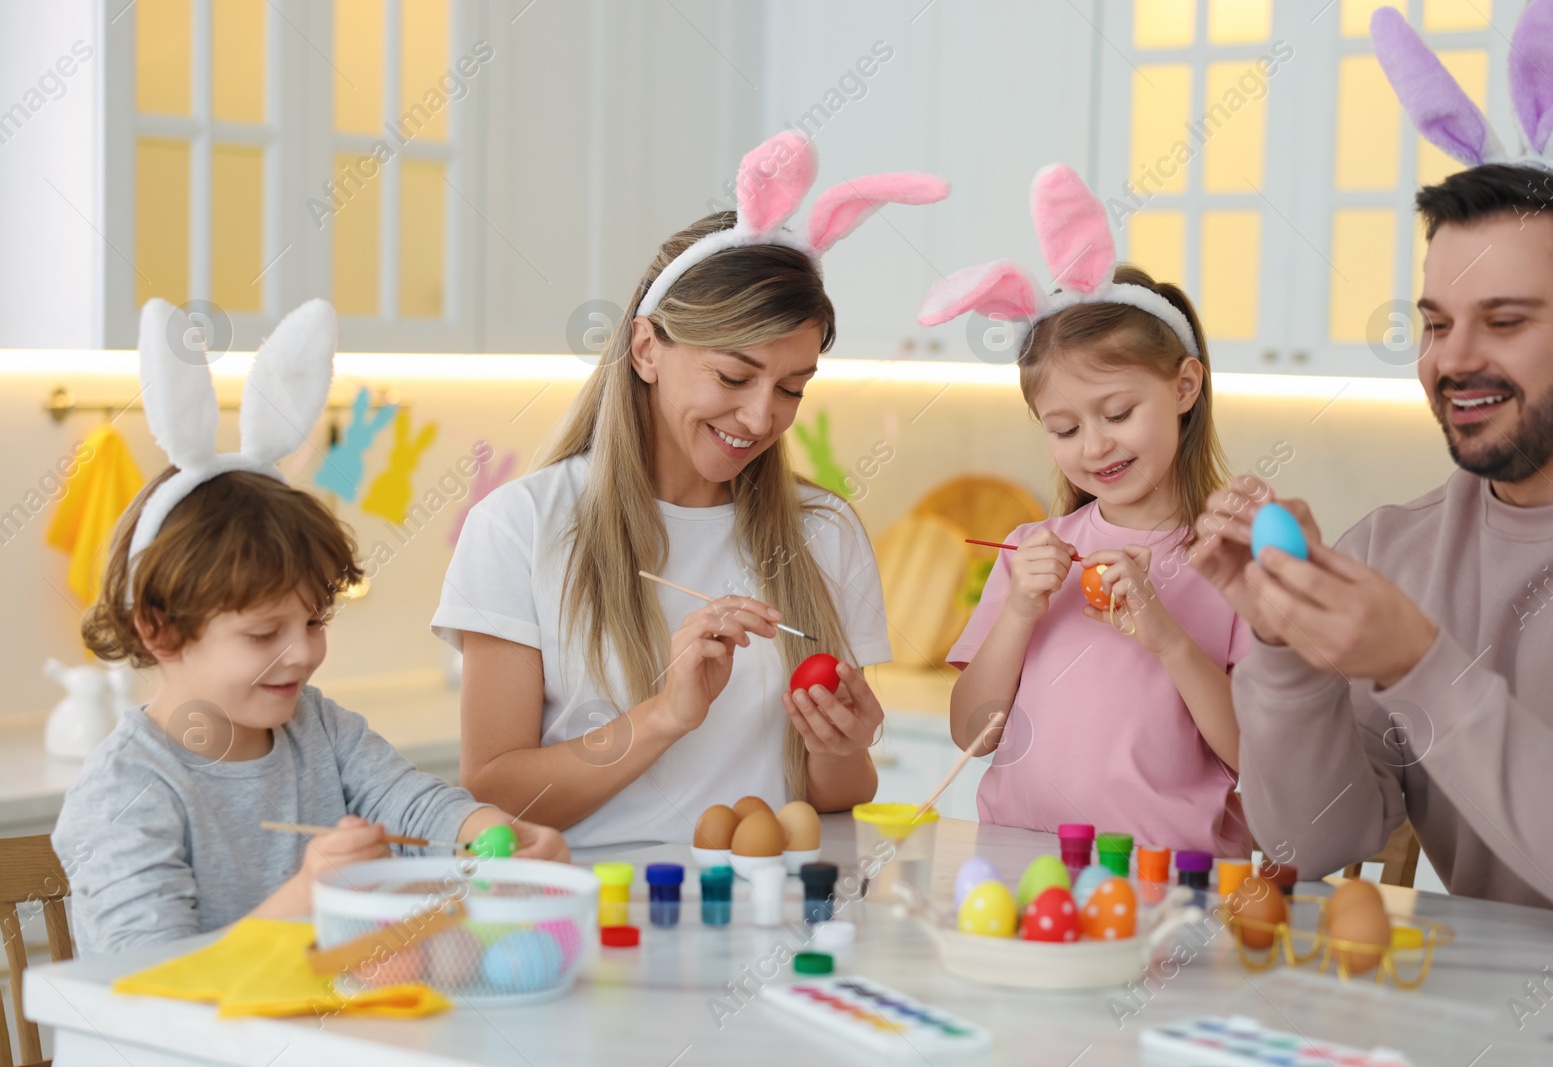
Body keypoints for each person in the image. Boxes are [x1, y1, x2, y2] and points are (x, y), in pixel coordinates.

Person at [1192, 2, 1553, 927]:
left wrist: (1422, 667)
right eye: (1433, 323)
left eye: (1506, 321)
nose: (1453, 359)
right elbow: (1314, 845)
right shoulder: (1398, 548)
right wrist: (1285, 650)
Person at [432, 134, 947, 846]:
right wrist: (667, 714)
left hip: (771, 915)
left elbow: (841, 794)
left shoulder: (823, 530)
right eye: (734, 378)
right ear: (646, 349)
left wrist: (839, 745)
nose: (762, 415)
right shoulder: (520, 527)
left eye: (792, 387)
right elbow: (496, 793)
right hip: (597, 916)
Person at [56, 300, 566, 956]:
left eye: (314, 620)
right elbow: (151, 977)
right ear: (158, 629)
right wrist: (305, 898)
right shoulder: (124, 791)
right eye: (263, 634)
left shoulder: (319, 730)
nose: (303, 653)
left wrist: (485, 828)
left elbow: (413, 803)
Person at [924, 166, 1250, 854]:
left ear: (1185, 386)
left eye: (1118, 412)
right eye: (1065, 428)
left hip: (1170, 876)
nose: (1095, 444)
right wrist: (1018, 610)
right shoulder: (1030, 549)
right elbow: (971, 733)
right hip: (1022, 864)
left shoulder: (1234, 559)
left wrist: (1164, 634)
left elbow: (1258, 756)